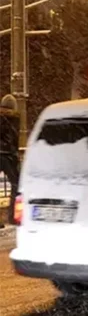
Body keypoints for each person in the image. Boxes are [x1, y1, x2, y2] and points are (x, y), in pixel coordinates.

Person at [0, 95, 20, 227]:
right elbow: (14, 139)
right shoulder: (15, 118)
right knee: (16, 184)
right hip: (9, 156)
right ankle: (13, 216)